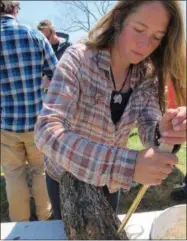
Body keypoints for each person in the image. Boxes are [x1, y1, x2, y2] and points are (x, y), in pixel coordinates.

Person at [34, 0, 186, 219]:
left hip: (109, 184)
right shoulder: (79, 59)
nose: (144, 45)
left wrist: (164, 132)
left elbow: (148, 124)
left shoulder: (146, 74)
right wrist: (128, 165)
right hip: (66, 181)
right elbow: (46, 131)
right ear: (119, 19)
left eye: (156, 37)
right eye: (139, 29)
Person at [1, 1, 58, 222]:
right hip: (36, 123)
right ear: (15, 10)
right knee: (40, 172)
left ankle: (21, 227)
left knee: (13, 176)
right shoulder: (35, 36)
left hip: (6, 125)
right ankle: (44, 222)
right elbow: (57, 75)